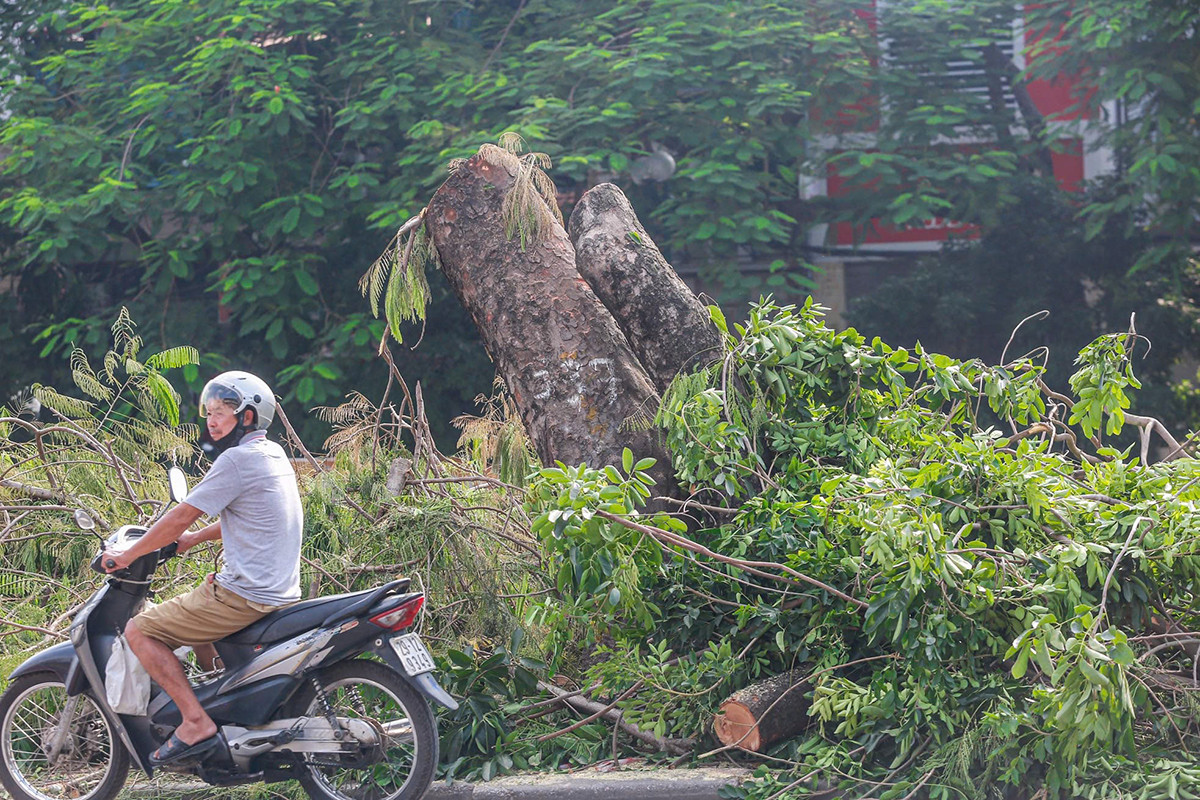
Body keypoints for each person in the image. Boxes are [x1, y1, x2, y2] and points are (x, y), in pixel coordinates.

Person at [103, 371, 303, 766]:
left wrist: (127, 556)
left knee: (140, 631)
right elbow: (248, 516)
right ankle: (223, 702)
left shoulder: (236, 460)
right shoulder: (272, 454)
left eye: (222, 412)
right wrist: (194, 539)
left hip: (246, 595)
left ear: (247, 417)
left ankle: (195, 721)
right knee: (195, 605)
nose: (212, 421)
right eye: (209, 413)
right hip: (278, 589)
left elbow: (181, 515)